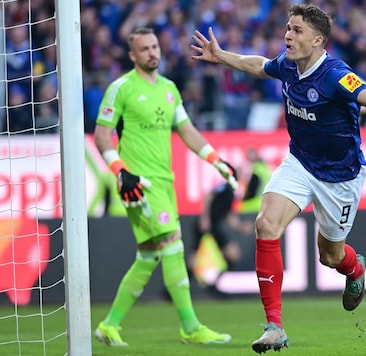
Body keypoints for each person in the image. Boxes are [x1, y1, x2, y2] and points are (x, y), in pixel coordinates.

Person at [191, 4, 366, 354]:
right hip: (300, 163)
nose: (287, 34)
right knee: (266, 224)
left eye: (297, 30)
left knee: (329, 256)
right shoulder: (287, 65)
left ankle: (355, 269)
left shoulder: (336, 74)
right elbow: (259, 65)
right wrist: (222, 56)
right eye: (287, 27)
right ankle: (274, 326)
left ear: (317, 40)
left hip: (340, 177)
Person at [93, 27, 238, 347]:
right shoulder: (121, 88)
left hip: (164, 181)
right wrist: (121, 172)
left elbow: (187, 131)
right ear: (132, 55)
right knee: (173, 242)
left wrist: (216, 160)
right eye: (143, 49)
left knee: (148, 256)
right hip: (139, 183)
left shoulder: (170, 89)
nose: (151, 53)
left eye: (155, 46)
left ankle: (109, 325)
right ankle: (190, 326)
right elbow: (102, 136)